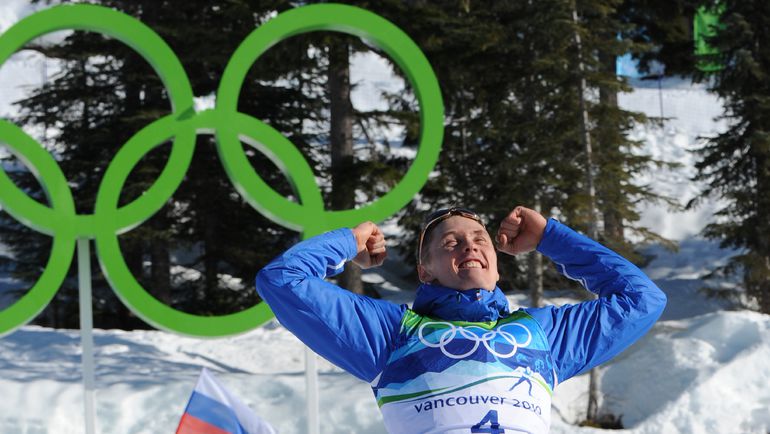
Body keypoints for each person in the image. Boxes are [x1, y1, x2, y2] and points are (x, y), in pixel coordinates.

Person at [256, 206, 666, 434]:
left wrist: (551, 238)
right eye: (451, 243)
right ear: (425, 270)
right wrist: (348, 241)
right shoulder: (391, 334)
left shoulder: (542, 335)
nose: (469, 245)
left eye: (479, 239)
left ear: (496, 265)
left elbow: (642, 299)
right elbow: (281, 280)